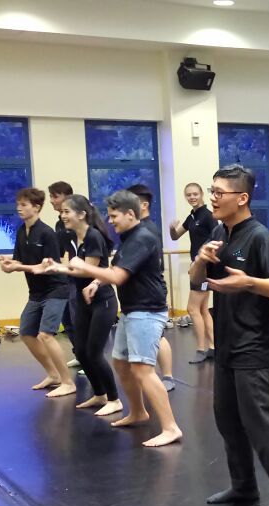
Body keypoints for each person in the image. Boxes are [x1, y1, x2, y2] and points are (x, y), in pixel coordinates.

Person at [190, 165, 269, 506]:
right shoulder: (218, 232)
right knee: (226, 418)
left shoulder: (259, 237)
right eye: (211, 191)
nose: (212, 198)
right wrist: (201, 260)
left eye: (218, 193)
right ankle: (243, 486)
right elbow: (197, 282)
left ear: (241, 198)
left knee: (258, 420)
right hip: (227, 342)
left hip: (255, 345)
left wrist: (248, 282)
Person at [65, 190, 182, 448]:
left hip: (147, 311)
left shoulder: (142, 237)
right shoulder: (128, 239)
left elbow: (118, 277)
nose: (110, 221)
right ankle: (138, 412)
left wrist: (84, 267)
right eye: (109, 216)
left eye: (114, 216)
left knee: (142, 369)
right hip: (131, 310)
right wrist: (96, 281)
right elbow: (114, 269)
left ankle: (170, 427)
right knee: (120, 363)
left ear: (130, 214)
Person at [42, 194, 122, 416]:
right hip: (82, 300)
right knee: (82, 351)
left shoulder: (93, 236)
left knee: (94, 352)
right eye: (62, 212)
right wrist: (54, 265)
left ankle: (114, 399)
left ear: (81, 214)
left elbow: (87, 271)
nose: (62, 215)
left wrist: (59, 268)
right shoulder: (73, 237)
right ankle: (99, 394)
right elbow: (74, 267)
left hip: (102, 301)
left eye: (67, 211)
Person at [0, 187, 76, 399]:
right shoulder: (21, 232)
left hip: (56, 289)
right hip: (36, 292)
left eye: (24, 205)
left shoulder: (47, 233)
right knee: (26, 332)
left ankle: (68, 381)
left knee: (46, 335)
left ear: (36, 207)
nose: (19, 208)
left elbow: (47, 267)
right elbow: (19, 261)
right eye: (18, 205)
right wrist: (9, 265)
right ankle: (53, 374)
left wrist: (18, 267)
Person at [126, 183, 177, 392]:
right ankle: (153, 376)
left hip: (151, 290)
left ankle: (168, 376)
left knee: (158, 336)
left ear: (144, 205)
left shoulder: (147, 230)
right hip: (142, 291)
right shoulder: (138, 229)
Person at [169, 182, 217, 363]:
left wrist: (198, 260)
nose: (192, 197)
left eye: (195, 194)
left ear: (201, 194)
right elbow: (175, 236)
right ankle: (213, 347)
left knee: (192, 308)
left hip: (204, 268)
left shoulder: (208, 216)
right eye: (189, 195)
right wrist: (171, 228)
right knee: (203, 309)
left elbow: (215, 238)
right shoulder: (192, 216)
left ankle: (201, 349)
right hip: (198, 268)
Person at [48, 181, 81, 369]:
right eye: (51, 197)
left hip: (80, 276)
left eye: (55, 196)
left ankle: (90, 358)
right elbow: (61, 253)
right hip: (65, 278)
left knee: (79, 319)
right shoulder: (59, 224)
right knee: (67, 318)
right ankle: (80, 354)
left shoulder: (77, 223)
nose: (52, 201)